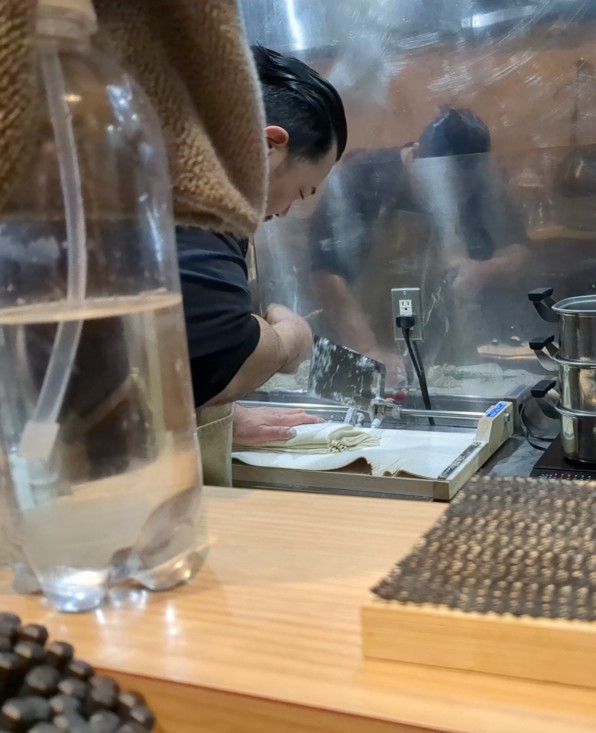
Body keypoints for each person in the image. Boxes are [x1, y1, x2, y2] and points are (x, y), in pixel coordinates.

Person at [178, 45, 348, 467]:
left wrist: (223, 415)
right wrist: (289, 339)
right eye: (302, 190)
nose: (286, 211)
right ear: (271, 145)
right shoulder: (195, 201)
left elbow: (172, 361)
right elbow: (222, 357)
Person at [308, 107, 530, 377]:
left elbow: (518, 252)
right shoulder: (363, 176)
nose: (452, 198)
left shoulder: (482, 183)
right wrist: (368, 350)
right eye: (443, 185)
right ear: (415, 155)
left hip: (446, 356)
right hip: (360, 345)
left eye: (463, 190)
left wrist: (484, 270)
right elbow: (325, 275)